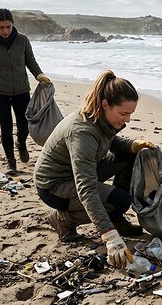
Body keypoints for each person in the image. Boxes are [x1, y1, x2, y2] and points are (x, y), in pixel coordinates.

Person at [34, 69, 154, 268]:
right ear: (105, 104)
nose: (127, 120)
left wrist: (132, 145)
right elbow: (87, 188)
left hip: (79, 170)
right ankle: (62, 218)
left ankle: (116, 218)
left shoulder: (100, 117)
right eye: (123, 114)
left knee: (130, 156)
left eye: (130, 114)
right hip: (54, 185)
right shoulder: (82, 132)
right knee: (119, 200)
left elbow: (109, 139)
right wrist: (109, 236)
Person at [0, 8, 51, 175]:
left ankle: (20, 143)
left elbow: (30, 61)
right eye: (1, 27)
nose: (5, 31)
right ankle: (10, 162)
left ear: (13, 25)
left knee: (24, 125)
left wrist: (39, 75)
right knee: (5, 127)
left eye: (8, 27)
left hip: (21, 90)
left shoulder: (23, 40)